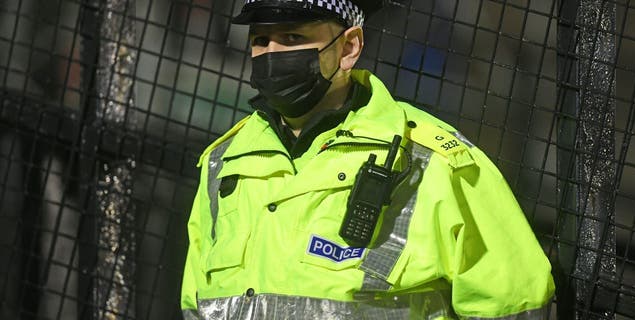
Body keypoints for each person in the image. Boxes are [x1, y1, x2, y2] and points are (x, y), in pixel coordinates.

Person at [181, 0, 555, 319]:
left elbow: (514, 303)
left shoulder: (433, 161)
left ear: (348, 48)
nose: (272, 54)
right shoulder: (222, 163)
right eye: (260, 40)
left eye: (293, 37)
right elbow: (196, 303)